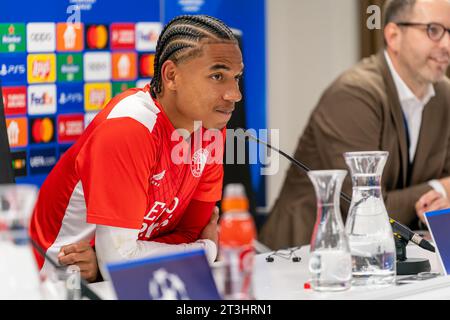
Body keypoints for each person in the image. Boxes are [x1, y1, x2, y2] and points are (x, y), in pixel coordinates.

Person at [29, 15, 244, 282]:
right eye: (217, 76)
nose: (235, 94)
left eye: (236, 77)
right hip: (51, 282)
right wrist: (206, 249)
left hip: (120, 281)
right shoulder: (128, 129)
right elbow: (121, 262)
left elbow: (191, 232)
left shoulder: (210, 130)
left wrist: (112, 258)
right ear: (171, 76)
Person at [260, 0, 450, 250]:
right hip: (306, 256)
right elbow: (365, 209)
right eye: (433, 30)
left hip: (388, 258)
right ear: (394, 35)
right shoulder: (354, 93)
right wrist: (440, 188)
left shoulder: (444, 95)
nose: (446, 45)